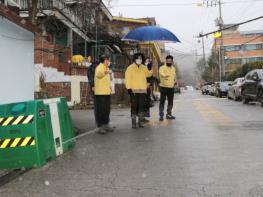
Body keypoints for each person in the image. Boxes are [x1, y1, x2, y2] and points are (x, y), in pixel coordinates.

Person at [125, 53, 152, 129]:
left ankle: (140, 122)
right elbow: (127, 79)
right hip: (133, 90)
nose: (139, 60)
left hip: (142, 90)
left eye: (140, 58)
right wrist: (129, 89)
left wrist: (149, 66)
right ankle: (133, 123)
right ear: (134, 59)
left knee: (141, 106)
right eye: (138, 58)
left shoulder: (144, 67)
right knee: (134, 106)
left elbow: (149, 74)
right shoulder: (130, 68)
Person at [94, 55, 114, 134]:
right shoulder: (99, 67)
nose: (109, 62)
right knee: (101, 110)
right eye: (108, 60)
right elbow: (99, 74)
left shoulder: (106, 68)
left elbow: (107, 79)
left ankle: (106, 125)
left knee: (106, 109)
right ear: (105, 60)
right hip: (100, 93)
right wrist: (106, 72)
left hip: (106, 92)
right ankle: (100, 126)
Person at [159, 55, 176, 121]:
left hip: (171, 87)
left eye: (170, 61)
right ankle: (161, 115)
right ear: (166, 61)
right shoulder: (162, 68)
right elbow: (161, 73)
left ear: (172, 61)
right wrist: (165, 75)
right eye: (168, 61)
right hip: (163, 87)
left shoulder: (173, 68)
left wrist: (175, 81)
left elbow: (174, 76)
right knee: (162, 101)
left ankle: (169, 114)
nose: (169, 62)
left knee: (170, 101)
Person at [143, 58, 154, 122]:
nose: (147, 62)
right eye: (146, 60)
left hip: (147, 87)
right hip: (141, 87)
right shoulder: (141, 68)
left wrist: (150, 83)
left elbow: (152, 78)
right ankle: (140, 117)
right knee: (142, 102)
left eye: (149, 61)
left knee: (147, 102)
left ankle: (145, 116)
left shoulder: (150, 69)